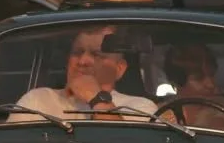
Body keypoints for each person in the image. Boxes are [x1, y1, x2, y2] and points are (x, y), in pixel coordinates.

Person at [14, 26, 155, 121]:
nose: (82, 61)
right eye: (77, 52)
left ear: (119, 69)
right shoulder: (37, 100)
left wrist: (96, 98)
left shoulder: (139, 108)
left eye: (96, 55)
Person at [162, 43, 224, 130]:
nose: (211, 85)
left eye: (212, 75)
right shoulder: (161, 112)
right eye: (198, 78)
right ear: (176, 81)